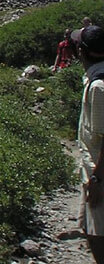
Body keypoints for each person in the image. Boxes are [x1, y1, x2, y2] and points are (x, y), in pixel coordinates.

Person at [73, 25, 104, 262]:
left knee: (98, 236)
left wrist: (96, 180)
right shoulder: (94, 78)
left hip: (99, 173)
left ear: (82, 51)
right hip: (94, 171)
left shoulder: (98, 87)